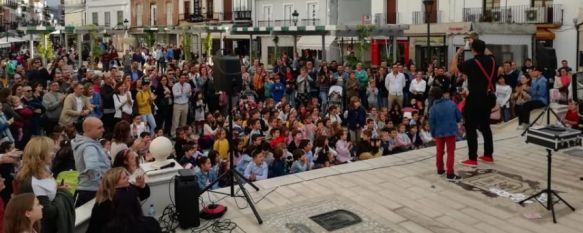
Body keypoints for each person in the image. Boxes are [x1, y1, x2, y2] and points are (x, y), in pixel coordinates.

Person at [13, 137, 75, 233]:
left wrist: (58, 189)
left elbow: (48, 194)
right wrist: (63, 194)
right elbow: (48, 212)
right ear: (40, 155)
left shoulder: (45, 170)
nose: (53, 153)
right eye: (50, 150)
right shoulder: (33, 182)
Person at [450, 39, 495, 167]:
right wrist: (475, 42)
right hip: (488, 98)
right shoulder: (492, 60)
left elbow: (453, 69)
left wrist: (458, 53)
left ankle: (472, 158)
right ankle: (488, 155)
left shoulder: (471, 63)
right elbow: (488, 51)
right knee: (486, 126)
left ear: (472, 50)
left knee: (470, 128)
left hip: (474, 99)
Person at [87, 167, 150, 233]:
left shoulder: (123, 189)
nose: (128, 178)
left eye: (127, 176)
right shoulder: (119, 197)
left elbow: (144, 194)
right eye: (124, 178)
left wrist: (141, 185)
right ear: (115, 183)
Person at [71, 117, 110, 207]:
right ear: (88, 130)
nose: (103, 130)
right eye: (99, 128)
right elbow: (92, 168)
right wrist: (104, 183)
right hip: (93, 191)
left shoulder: (86, 143)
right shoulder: (89, 148)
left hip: (88, 189)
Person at [429, 87, 462, 181]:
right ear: (442, 94)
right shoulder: (451, 103)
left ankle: (440, 169)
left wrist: (433, 134)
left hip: (438, 132)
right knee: (450, 152)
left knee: (439, 151)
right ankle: (450, 173)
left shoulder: (433, 108)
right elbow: (458, 117)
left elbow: (431, 122)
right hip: (450, 131)